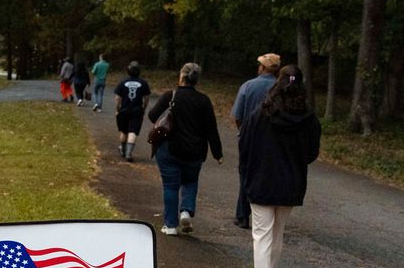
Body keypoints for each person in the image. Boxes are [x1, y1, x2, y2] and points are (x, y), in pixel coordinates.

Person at [239, 64, 320, 268]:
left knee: (261, 236)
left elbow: (245, 145)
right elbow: (311, 152)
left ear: (278, 81)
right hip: (290, 183)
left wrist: (247, 174)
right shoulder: (308, 118)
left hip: (262, 180)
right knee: (277, 235)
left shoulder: (260, 113)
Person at [146, 62, 222, 236]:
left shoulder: (170, 96)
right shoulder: (204, 101)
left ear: (181, 76)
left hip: (170, 149)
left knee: (170, 186)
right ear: (196, 79)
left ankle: (170, 225)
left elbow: (152, 116)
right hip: (195, 151)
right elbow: (212, 129)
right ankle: (186, 211)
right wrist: (218, 153)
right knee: (190, 181)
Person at [230, 52, 281, 230]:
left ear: (262, 67)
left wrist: (242, 130)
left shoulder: (248, 86)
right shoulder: (280, 88)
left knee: (246, 173)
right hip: (274, 140)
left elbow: (237, 115)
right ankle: (268, 215)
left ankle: (242, 215)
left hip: (249, 138)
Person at [113, 61, 150, 162]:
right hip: (137, 110)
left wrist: (117, 109)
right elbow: (146, 98)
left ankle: (123, 149)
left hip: (124, 110)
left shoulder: (122, 82)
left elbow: (117, 98)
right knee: (133, 131)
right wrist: (144, 107)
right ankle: (129, 153)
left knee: (123, 131)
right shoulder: (143, 83)